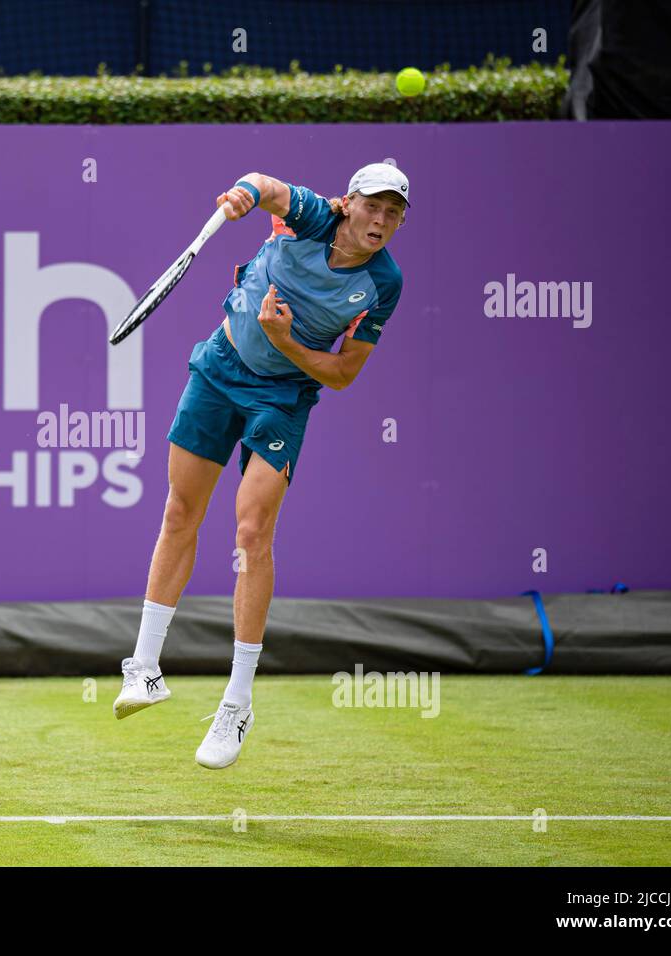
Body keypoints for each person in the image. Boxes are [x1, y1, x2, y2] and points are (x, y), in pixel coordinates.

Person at [113, 163, 409, 769]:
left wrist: (288, 343)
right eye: (373, 206)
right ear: (348, 204)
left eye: (394, 212)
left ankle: (237, 703)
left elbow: (345, 373)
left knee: (251, 533)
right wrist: (246, 195)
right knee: (180, 511)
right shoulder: (311, 216)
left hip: (284, 396)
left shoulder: (384, 282)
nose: (381, 220)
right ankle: (144, 669)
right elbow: (266, 183)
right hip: (219, 368)